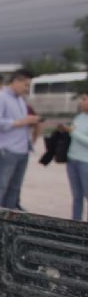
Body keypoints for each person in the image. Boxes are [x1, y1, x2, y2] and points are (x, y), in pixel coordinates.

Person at [0, 69, 39, 209]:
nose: (27, 89)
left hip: (22, 149)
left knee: (15, 188)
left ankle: (9, 218)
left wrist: (30, 122)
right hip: (6, 150)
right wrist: (21, 122)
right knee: (0, 186)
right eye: (25, 85)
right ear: (16, 81)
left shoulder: (20, 100)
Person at [60, 92, 88, 220]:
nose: (81, 102)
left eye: (84, 99)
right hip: (73, 160)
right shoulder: (79, 117)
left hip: (85, 162)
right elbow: (73, 133)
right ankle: (76, 222)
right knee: (77, 195)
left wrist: (73, 132)